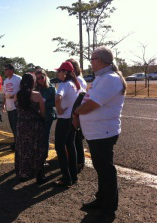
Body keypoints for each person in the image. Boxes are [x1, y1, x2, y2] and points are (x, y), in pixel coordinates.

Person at [73, 46, 127, 222]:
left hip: (103, 133)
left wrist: (76, 113)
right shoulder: (101, 78)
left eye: (93, 59)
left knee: (106, 170)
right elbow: (89, 101)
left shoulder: (110, 79)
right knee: (101, 169)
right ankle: (102, 199)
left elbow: (91, 105)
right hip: (97, 132)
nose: (91, 62)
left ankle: (109, 209)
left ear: (101, 61)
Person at [14, 73, 46, 184]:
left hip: (22, 125)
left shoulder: (17, 95)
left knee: (23, 149)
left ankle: (23, 172)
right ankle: (39, 174)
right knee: (37, 149)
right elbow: (43, 112)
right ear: (33, 82)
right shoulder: (37, 95)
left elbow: (17, 109)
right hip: (35, 126)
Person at [53, 61, 80, 187]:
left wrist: (58, 109)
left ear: (65, 72)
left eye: (59, 71)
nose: (58, 73)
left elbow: (57, 98)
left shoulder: (64, 85)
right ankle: (73, 176)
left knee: (60, 147)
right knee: (70, 145)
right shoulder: (75, 84)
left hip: (64, 120)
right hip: (72, 119)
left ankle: (66, 177)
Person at [67, 58, 87, 173]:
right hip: (75, 112)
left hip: (76, 113)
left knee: (77, 139)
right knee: (75, 139)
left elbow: (80, 98)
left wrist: (76, 115)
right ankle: (78, 160)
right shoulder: (79, 79)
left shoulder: (78, 80)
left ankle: (79, 162)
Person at [35, 69, 57, 164]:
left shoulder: (51, 88)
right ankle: (38, 155)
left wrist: (44, 104)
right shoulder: (36, 88)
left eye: (42, 77)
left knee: (45, 136)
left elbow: (55, 102)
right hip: (37, 115)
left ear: (45, 76)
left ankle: (44, 157)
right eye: (38, 78)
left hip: (48, 115)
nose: (40, 80)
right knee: (37, 136)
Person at [3, 64, 22, 150]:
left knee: (17, 125)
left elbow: (23, 91)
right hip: (9, 106)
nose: (5, 71)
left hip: (16, 107)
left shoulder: (18, 78)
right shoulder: (6, 80)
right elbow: (4, 93)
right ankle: (16, 141)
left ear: (11, 70)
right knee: (12, 126)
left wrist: (15, 95)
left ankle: (18, 143)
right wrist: (4, 104)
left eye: (6, 69)